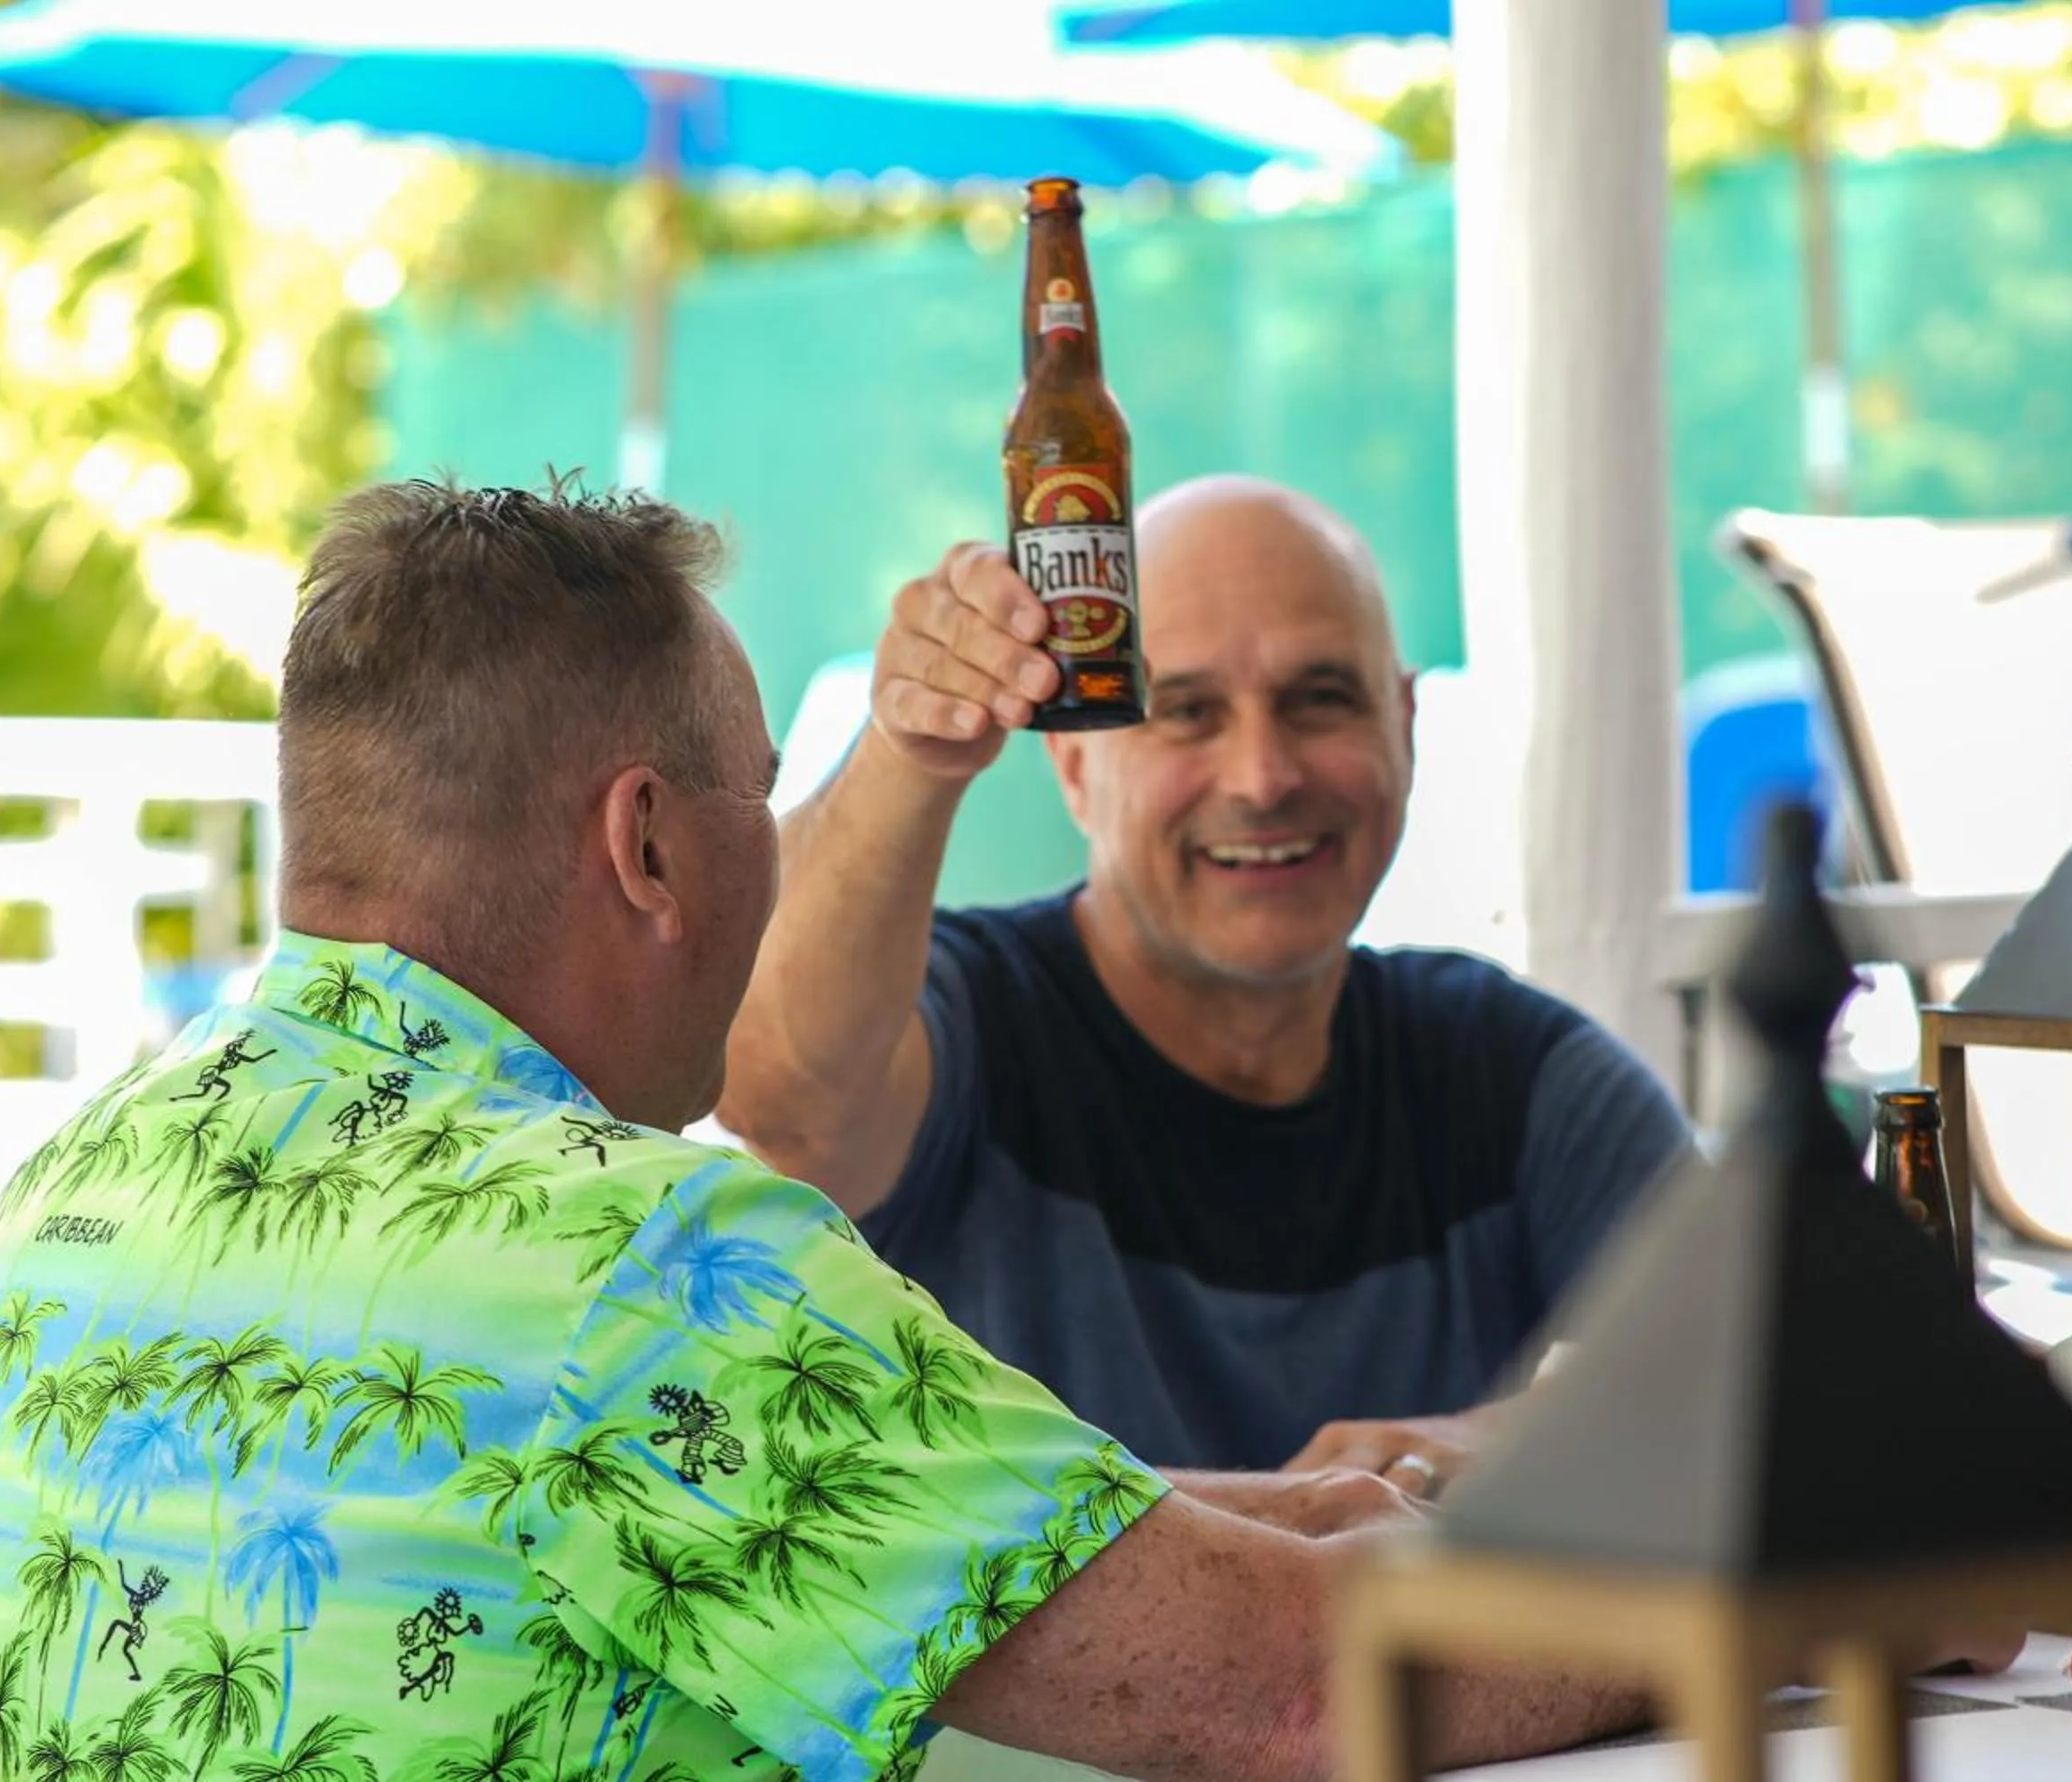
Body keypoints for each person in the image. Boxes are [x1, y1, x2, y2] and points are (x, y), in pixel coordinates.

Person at [0, 479, 1660, 1782]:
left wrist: (1279, 1509)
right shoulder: (640, 1267)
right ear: (649, 842)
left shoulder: (75, 1186)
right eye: (762, 800)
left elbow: (687, 1499)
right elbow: (1305, 1699)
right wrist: (1780, 1600)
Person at [718, 476, 1696, 1495]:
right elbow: (776, 1085)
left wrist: (1492, 1444)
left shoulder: (1511, 1069)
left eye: (1320, 700)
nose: (1263, 776)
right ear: (1072, 764)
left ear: (1404, 726)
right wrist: (910, 749)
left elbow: (1765, 1371)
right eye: (1185, 712)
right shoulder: (973, 1026)